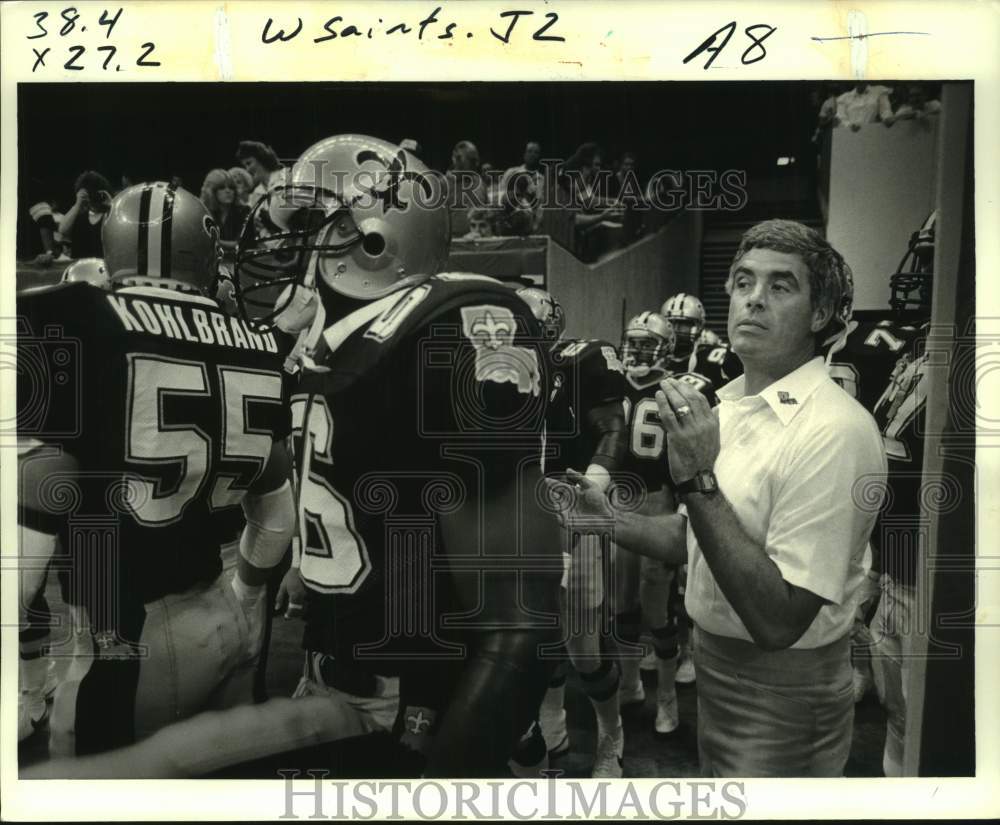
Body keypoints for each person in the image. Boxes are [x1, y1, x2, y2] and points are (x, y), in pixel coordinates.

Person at [234, 134, 563, 778]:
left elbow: (518, 624)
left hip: (400, 699)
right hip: (330, 669)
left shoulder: (448, 330)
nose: (281, 247)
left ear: (373, 241)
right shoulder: (337, 347)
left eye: (308, 228)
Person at [553, 219, 886, 777]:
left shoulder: (834, 429)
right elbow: (697, 539)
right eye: (742, 282)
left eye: (781, 286)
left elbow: (778, 621)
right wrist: (604, 518)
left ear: (821, 314)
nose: (754, 300)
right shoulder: (733, 406)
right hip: (716, 667)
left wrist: (697, 476)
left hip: (784, 684)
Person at [17, 182, 296, 758]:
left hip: (127, 636)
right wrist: (243, 596)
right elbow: (275, 514)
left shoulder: (71, 315)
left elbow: (40, 491)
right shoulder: (258, 341)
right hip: (225, 608)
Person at [516, 287, 629, 777]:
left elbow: (611, 427)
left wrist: (594, 485)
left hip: (572, 510)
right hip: (517, 517)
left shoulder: (580, 360)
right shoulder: (491, 371)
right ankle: (550, 724)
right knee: (532, 637)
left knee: (583, 645)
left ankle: (611, 736)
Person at [613, 311, 718, 737]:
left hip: (659, 498)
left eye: (646, 344)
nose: (636, 351)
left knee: (657, 604)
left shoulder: (681, 388)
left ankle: (668, 696)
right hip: (619, 495)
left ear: (666, 348)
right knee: (620, 605)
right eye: (632, 342)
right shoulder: (611, 381)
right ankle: (630, 682)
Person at [661, 292, 743, 389]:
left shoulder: (715, 355)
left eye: (684, 324)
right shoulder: (657, 359)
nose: (675, 330)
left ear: (699, 326)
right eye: (670, 324)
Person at [58, 171, 113, 259]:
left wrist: (112, 205)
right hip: (80, 268)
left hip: (103, 267)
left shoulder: (110, 215)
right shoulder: (78, 216)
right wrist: (77, 204)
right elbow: (62, 231)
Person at [200, 168, 251, 261]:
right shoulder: (204, 212)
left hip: (240, 262)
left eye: (231, 187)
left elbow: (242, 243)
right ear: (211, 191)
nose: (228, 191)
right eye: (222, 188)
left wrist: (215, 241)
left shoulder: (244, 211)